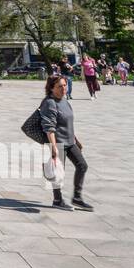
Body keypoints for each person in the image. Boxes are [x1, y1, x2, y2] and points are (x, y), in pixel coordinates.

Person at [38, 75, 93, 211]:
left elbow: (67, 122)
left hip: (70, 141)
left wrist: (76, 139)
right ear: (51, 88)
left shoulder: (64, 101)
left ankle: (77, 198)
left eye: (65, 85)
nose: (64, 89)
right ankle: (57, 200)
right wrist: (53, 147)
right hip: (58, 143)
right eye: (60, 86)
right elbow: (48, 127)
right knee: (57, 174)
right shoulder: (49, 103)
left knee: (82, 166)